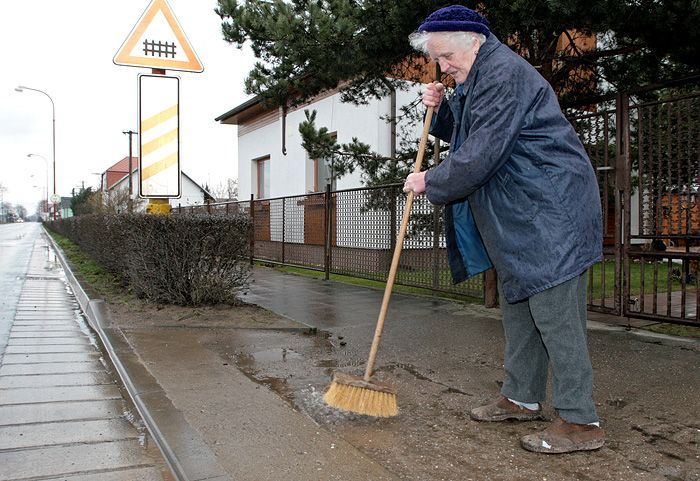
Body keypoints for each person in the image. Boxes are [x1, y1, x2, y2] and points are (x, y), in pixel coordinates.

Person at [403, 5, 605, 454]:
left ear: (473, 41)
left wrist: (429, 180)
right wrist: (440, 113)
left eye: (447, 56)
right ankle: (521, 398)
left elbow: (482, 154)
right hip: (522, 215)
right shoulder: (479, 75)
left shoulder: (503, 74)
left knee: (556, 317)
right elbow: (470, 134)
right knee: (520, 311)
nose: (443, 66)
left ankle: (580, 422)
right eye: (438, 59)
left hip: (551, 213)